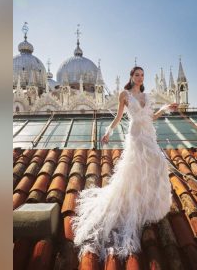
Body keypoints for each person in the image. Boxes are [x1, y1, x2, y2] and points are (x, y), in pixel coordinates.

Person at [70, 66, 179, 263]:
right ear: (131, 76)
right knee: (137, 169)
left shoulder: (147, 95)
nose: (140, 77)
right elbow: (119, 117)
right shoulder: (125, 94)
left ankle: (149, 204)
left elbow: (150, 117)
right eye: (137, 74)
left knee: (159, 165)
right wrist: (108, 132)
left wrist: (165, 109)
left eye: (142, 75)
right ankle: (134, 205)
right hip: (136, 136)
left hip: (149, 134)